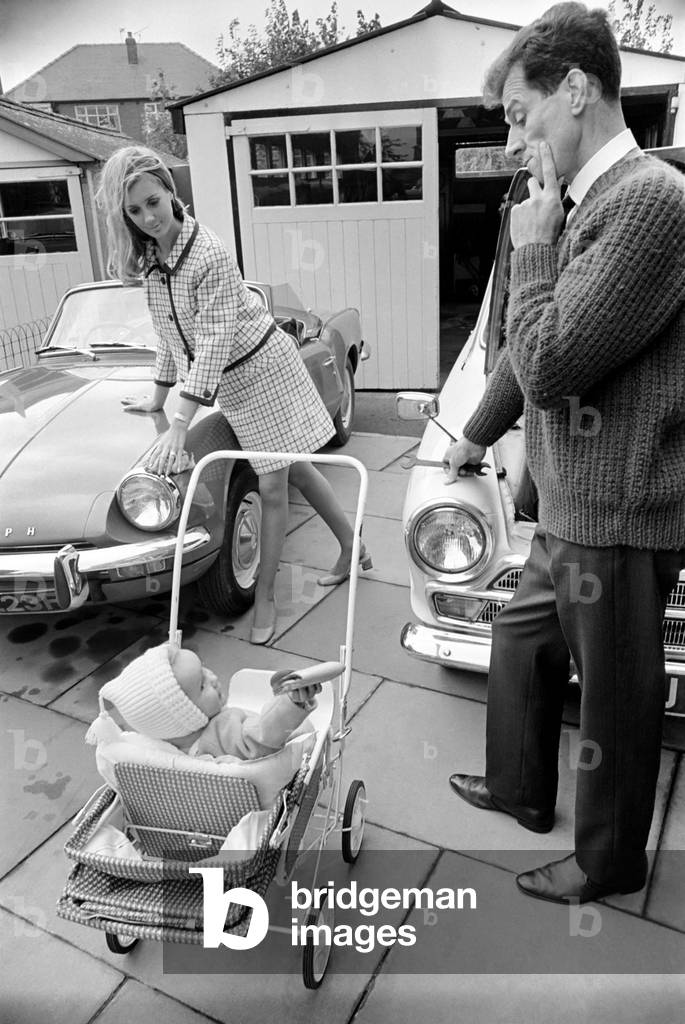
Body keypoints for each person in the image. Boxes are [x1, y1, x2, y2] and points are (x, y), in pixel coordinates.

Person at [444, 2, 685, 904]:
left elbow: (549, 367)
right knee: (518, 638)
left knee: (616, 701)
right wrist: (473, 434)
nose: (511, 142)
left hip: (618, 514)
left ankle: (608, 864)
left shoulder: (647, 208)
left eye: (518, 114)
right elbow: (520, 354)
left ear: (576, 89)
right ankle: (518, 787)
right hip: (568, 503)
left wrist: (534, 250)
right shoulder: (589, 201)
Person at [96, 146, 371, 645]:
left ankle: (265, 595)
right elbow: (169, 334)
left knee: (272, 486)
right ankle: (354, 547)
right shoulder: (154, 259)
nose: (148, 218)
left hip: (265, 371)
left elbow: (216, 340)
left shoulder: (210, 254)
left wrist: (180, 421)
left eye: (153, 202)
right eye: (133, 212)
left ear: (171, 192)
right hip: (232, 380)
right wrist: (159, 399)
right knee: (297, 470)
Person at [88, 642, 321, 758]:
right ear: (187, 716)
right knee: (303, 730)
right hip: (282, 750)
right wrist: (290, 703)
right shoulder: (224, 729)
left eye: (205, 669)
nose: (213, 677)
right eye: (202, 685)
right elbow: (262, 734)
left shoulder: (159, 750)